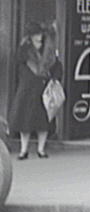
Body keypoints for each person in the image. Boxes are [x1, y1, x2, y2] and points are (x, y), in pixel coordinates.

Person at [7, 23, 62, 160]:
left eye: (40, 35)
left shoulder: (48, 50)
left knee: (43, 122)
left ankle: (41, 149)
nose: (39, 38)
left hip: (42, 89)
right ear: (30, 37)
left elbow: (57, 66)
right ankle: (23, 150)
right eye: (36, 35)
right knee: (25, 122)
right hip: (27, 90)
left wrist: (54, 78)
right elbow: (17, 63)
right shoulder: (24, 50)